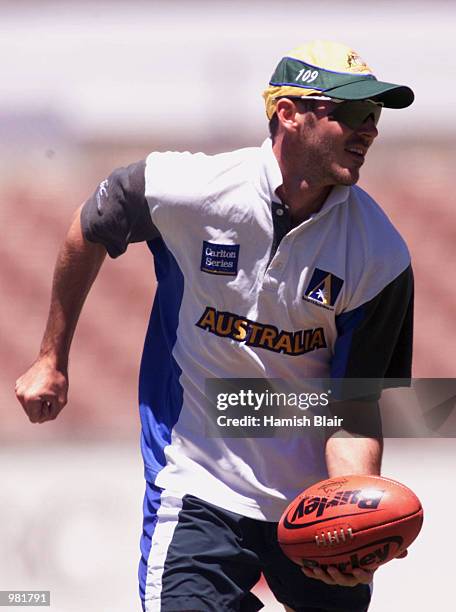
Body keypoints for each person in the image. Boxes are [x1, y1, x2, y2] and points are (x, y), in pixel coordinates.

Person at [15, 40, 414, 612]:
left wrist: (353, 508)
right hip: (196, 486)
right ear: (289, 113)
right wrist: (52, 356)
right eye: (350, 113)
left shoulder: (380, 255)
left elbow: (352, 409)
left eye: (375, 117)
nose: (369, 129)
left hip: (313, 510)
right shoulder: (190, 190)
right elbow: (89, 227)